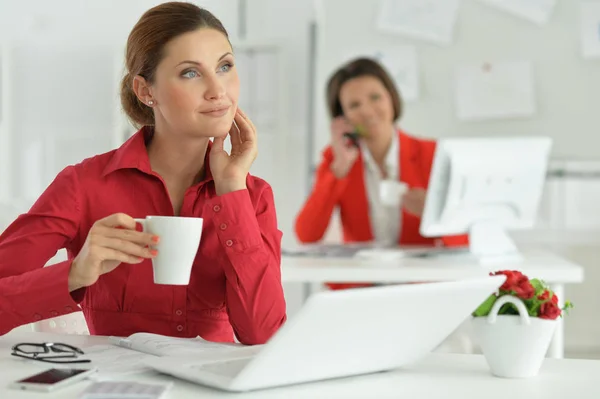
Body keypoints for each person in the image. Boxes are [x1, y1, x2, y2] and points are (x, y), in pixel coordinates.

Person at [0, 2, 286, 345]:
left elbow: (264, 333)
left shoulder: (251, 195)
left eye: (224, 66)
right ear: (145, 91)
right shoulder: (84, 185)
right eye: (190, 73)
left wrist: (231, 189)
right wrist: (76, 273)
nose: (218, 90)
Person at [294, 58, 468, 289]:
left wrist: (434, 212)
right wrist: (339, 170)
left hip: (420, 286)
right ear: (341, 117)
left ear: (391, 99)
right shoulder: (336, 160)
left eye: (375, 97)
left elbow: (465, 242)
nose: (367, 110)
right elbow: (307, 234)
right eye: (354, 105)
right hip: (361, 289)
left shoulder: (433, 154)